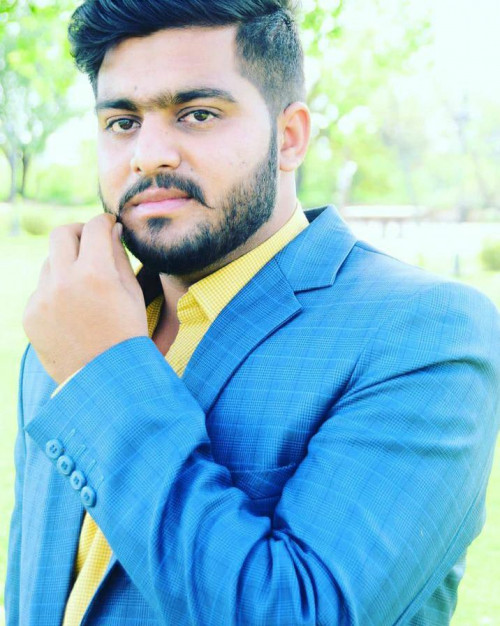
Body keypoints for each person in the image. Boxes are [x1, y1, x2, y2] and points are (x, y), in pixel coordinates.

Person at [5, 0, 500, 624]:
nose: (148, 155)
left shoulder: (425, 333)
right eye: (122, 122)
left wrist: (102, 373)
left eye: (198, 114)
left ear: (289, 136)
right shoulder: (67, 328)